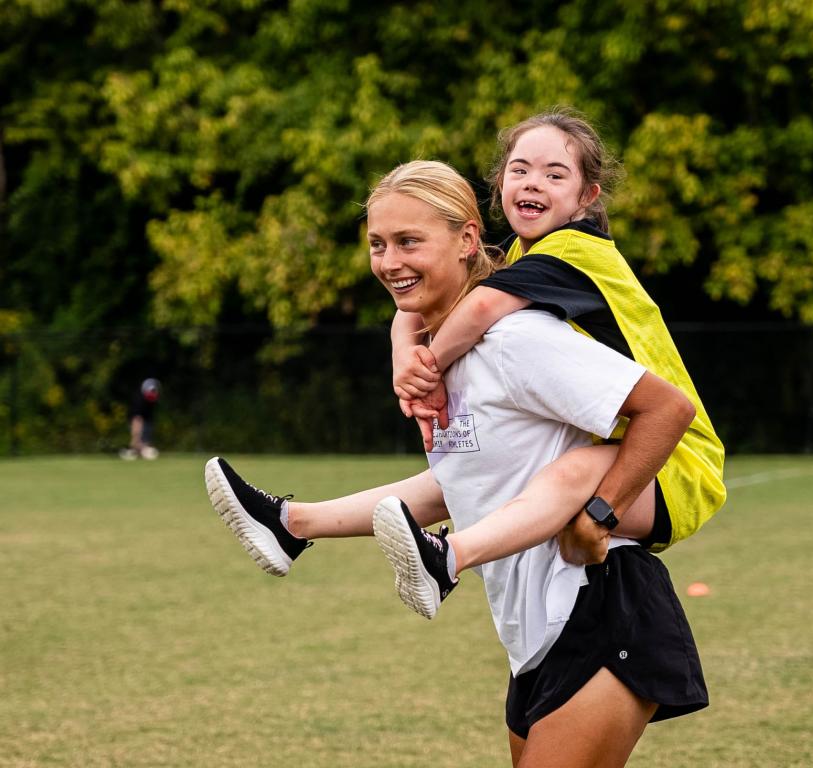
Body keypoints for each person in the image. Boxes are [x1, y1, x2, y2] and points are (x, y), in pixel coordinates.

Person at [206, 160, 708, 767]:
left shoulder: (517, 339)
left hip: (601, 606)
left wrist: (600, 514)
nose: (390, 262)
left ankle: (434, 556)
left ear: (469, 240)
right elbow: (459, 487)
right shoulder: (442, 360)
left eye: (409, 241)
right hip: (530, 634)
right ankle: (292, 525)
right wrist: (297, 521)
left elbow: (664, 408)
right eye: (377, 244)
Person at [389, 108, 726, 590]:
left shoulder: (574, 250)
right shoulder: (527, 255)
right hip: (625, 448)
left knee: (564, 476)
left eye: (554, 174)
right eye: (520, 169)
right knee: (507, 472)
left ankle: (447, 559)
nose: (532, 183)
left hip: (671, 459)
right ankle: (300, 524)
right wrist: (407, 357)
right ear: (500, 180)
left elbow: (479, 308)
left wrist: (430, 370)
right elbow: (421, 305)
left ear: (586, 196)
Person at [120, 378, 161, 460]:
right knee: (137, 441)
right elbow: (136, 420)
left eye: (154, 390)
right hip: (136, 419)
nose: (152, 392)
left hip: (147, 419)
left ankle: (138, 451)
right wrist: (135, 438)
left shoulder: (153, 400)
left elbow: (150, 420)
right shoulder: (139, 400)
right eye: (150, 390)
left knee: (145, 443)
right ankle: (133, 450)